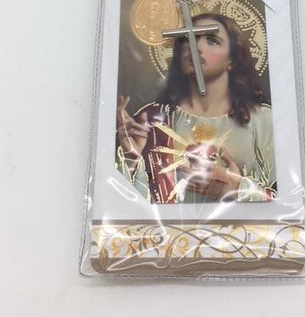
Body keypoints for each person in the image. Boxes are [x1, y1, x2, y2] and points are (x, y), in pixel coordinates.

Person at [116, 13, 277, 204]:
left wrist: (234, 188)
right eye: (187, 38)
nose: (195, 46)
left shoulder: (263, 121)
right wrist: (132, 159)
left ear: (232, 59)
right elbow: (126, 205)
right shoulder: (150, 121)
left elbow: (288, 202)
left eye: (212, 40)